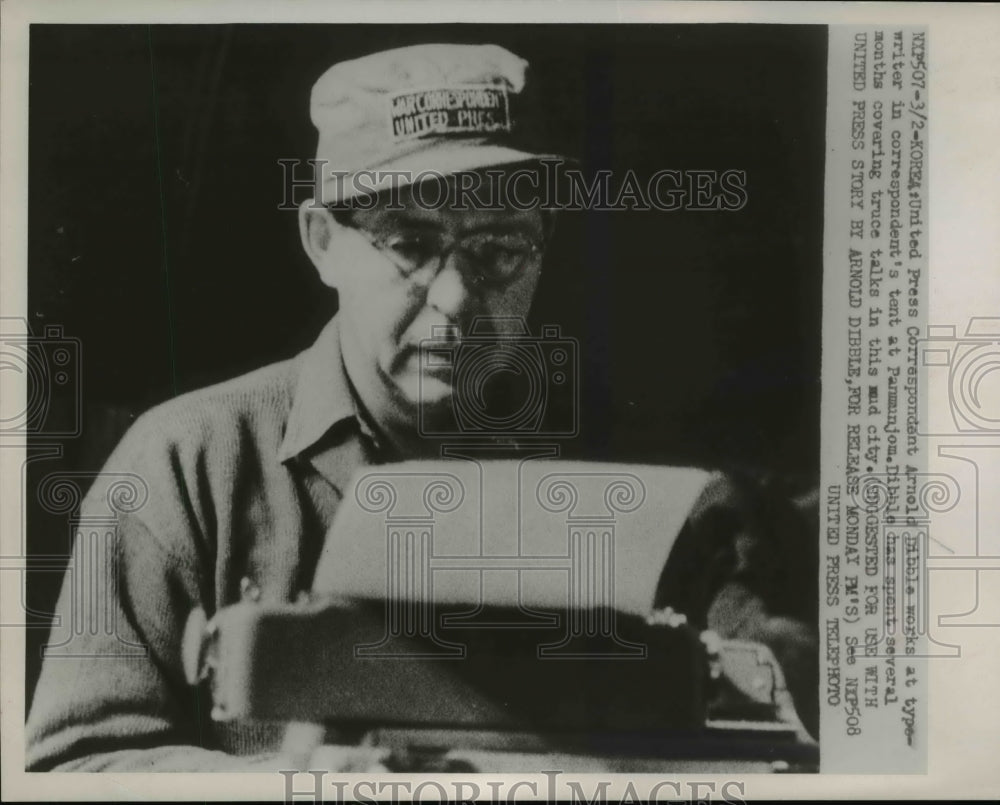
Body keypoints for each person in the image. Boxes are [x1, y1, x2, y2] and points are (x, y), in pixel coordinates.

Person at [26, 42, 817, 772]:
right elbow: (75, 764)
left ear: (544, 250)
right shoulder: (187, 466)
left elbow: (781, 702)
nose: (456, 300)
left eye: (498, 250)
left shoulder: (625, 472)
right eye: (408, 243)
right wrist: (287, 786)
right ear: (322, 242)